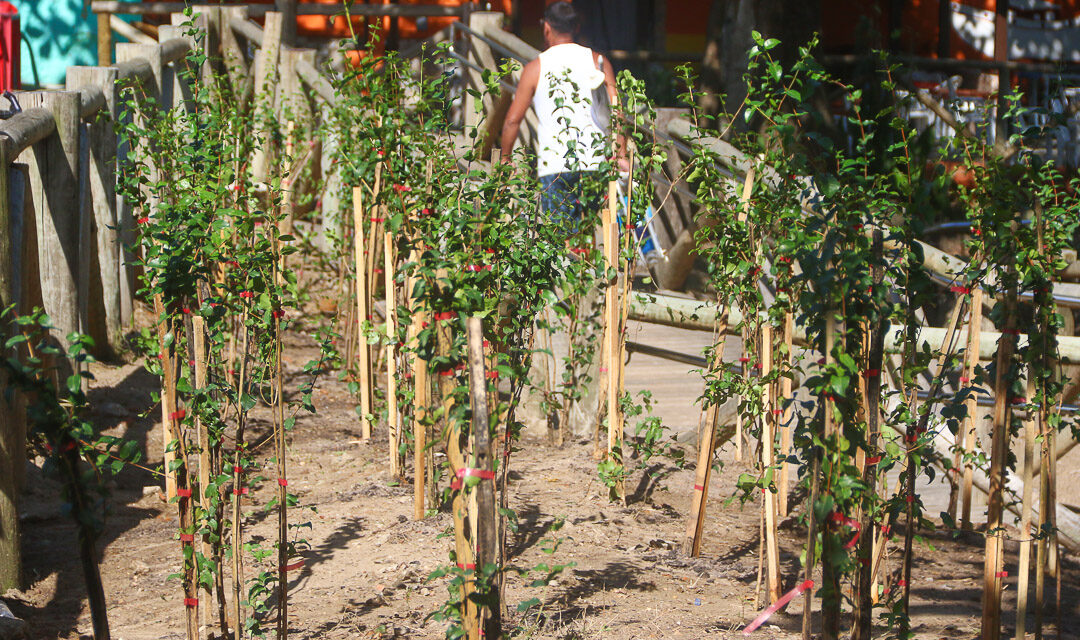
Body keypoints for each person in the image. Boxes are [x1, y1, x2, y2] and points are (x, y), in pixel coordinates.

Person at [499, 1, 625, 224]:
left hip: (554, 165)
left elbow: (512, 120)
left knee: (559, 244)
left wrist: (505, 159)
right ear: (576, 27)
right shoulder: (598, 61)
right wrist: (622, 154)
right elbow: (617, 110)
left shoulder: (535, 68)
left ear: (546, 27)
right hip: (595, 163)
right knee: (597, 238)